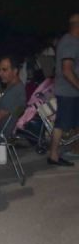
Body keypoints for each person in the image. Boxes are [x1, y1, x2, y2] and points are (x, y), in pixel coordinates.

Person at [49, 14, 79, 166]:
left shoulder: (73, 41)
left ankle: (75, 149)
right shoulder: (70, 42)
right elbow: (67, 70)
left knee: (71, 122)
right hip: (68, 91)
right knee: (61, 124)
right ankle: (53, 155)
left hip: (71, 91)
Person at [0, 56, 27, 136]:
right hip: (0, 132)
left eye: (4, 70)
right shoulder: (14, 86)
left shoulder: (15, 91)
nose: (0, 73)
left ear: (15, 71)